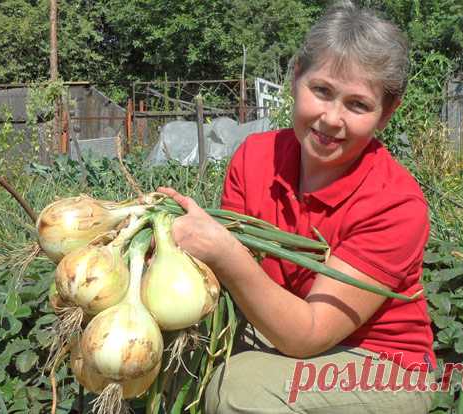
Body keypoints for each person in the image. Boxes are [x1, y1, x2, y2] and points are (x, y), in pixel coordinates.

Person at [159, 1, 436, 412]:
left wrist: (222, 250)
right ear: (295, 78)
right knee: (173, 357)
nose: (331, 119)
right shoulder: (254, 158)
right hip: (281, 334)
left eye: (357, 105)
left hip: (379, 363)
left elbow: (307, 333)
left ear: (386, 113)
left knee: (241, 389)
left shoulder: (395, 204)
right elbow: (226, 285)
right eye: (321, 91)